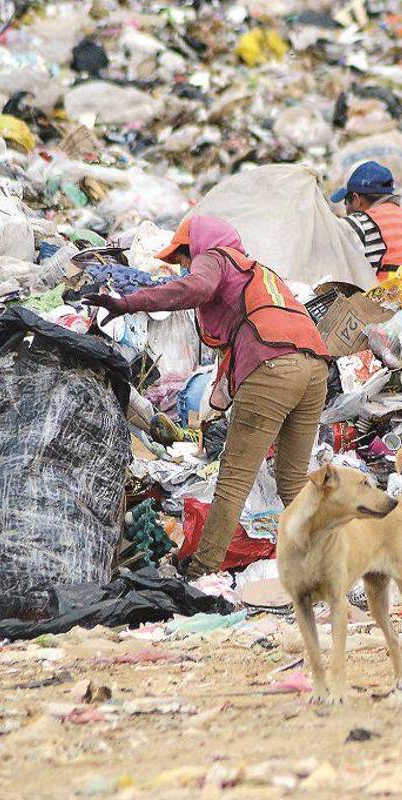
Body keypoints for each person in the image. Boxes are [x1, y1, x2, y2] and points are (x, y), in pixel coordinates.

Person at [85, 216, 329, 578]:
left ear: (195, 245)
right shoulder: (258, 273)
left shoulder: (214, 258)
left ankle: (202, 569)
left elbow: (194, 288)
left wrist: (129, 303)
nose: (184, 267)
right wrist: (213, 411)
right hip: (315, 367)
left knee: (233, 481)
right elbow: (232, 363)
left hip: (273, 363)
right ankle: (332, 556)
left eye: (183, 258)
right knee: (292, 481)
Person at [331, 161, 402, 288]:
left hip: (385, 306)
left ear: (356, 199)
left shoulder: (357, 225)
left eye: (346, 202)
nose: (346, 209)